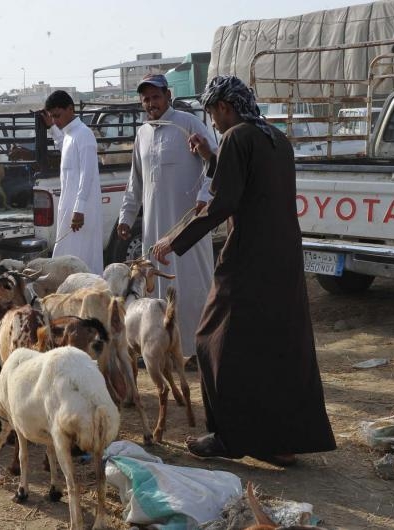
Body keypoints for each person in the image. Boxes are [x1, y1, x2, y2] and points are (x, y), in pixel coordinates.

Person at [151, 75, 336, 466]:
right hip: (283, 256)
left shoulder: (237, 137)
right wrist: (209, 157)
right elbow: (248, 182)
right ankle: (281, 441)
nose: (213, 124)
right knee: (275, 345)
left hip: (250, 256)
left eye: (213, 115)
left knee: (211, 339)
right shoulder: (275, 137)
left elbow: (223, 203)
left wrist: (175, 241)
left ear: (224, 108)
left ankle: (227, 437)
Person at [117, 74, 216, 360]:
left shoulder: (188, 124)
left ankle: (199, 350)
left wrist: (205, 198)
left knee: (193, 285)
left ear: (168, 96)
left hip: (188, 228)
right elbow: (135, 181)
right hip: (154, 230)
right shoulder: (142, 134)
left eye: (155, 97)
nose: (151, 104)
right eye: (145, 99)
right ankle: (162, 350)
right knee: (156, 290)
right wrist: (126, 216)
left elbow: (216, 163)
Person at [41, 90, 103, 274]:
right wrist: (51, 127)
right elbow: (63, 144)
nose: (56, 120)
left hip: (81, 213)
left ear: (71, 109)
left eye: (57, 116)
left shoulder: (84, 134)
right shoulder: (69, 134)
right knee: (66, 260)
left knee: (82, 263)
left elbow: (88, 173)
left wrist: (79, 209)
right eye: (53, 116)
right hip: (70, 210)